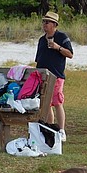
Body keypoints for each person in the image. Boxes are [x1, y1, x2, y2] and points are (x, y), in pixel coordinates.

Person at [34, 11, 73, 142]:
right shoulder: (41, 40)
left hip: (56, 75)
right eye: (43, 22)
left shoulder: (62, 37)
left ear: (54, 24)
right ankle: (51, 128)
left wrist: (57, 47)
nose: (44, 24)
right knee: (46, 103)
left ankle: (61, 130)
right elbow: (38, 59)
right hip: (43, 75)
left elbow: (70, 54)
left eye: (47, 22)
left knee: (57, 102)